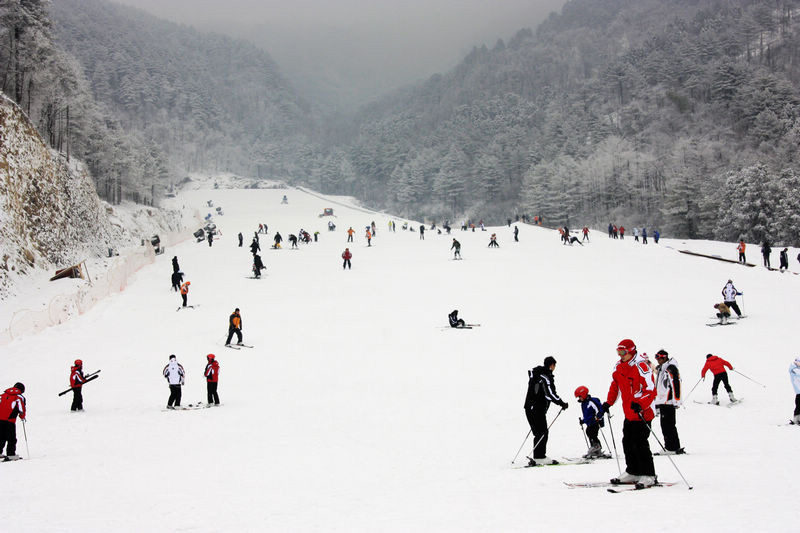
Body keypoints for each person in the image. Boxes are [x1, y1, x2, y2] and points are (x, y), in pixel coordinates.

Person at [600, 339, 657, 487]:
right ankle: (633, 471)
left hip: (642, 413)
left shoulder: (641, 366)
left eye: (623, 352)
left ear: (631, 351)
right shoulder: (619, 367)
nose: (620, 355)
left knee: (640, 444)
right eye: (618, 352)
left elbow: (651, 390)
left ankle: (649, 474)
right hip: (629, 414)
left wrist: (641, 404)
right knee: (627, 442)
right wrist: (608, 402)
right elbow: (615, 386)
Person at [524, 356, 568, 466]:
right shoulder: (545, 376)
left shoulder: (537, 375)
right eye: (554, 365)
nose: (554, 367)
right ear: (551, 365)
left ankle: (539, 456)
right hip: (537, 408)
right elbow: (550, 394)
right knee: (542, 432)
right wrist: (561, 403)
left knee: (539, 432)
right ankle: (539, 456)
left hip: (530, 408)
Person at [654, 349, 684, 454]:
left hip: (669, 401)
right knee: (665, 425)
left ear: (665, 357)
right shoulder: (662, 368)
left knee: (668, 425)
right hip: (662, 401)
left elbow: (676, 383)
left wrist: (677, 401)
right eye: (657, 358)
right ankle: (672, 447)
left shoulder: (671, 368)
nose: (658, 360)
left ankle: (672, 447)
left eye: (660, 358)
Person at [574, 386, 605, 459]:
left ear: (584, 394)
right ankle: (596, 450)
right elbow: (586, 415)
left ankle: (596, 446)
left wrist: (598, 417)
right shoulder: (584, 403)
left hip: (595, 421)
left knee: (591, 433)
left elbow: (599, 409)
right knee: (589, 432)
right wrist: (583, 420)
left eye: (580, 396)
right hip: (590, 422)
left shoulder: (591, 401)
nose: (579, 398)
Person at [0, 382, 26, 461]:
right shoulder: (19, 397)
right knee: (11, 439)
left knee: (1, 437)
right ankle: (11, 455)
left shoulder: (2, 395)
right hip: (10, 420)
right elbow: (21, 409)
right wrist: (22, 417)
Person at [790, 357, 800, 425]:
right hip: (798, 391)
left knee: (798, 405)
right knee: (798, 405)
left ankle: (797, 419)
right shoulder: (793, 368)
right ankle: (796, 419)